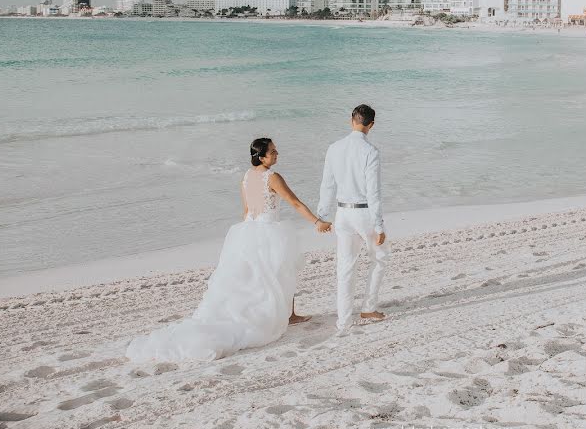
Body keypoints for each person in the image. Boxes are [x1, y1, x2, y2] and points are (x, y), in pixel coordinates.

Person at [126, 138, 331, 362]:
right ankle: (288, 315)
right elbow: (295, 202)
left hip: (248, 230)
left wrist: (247, 235)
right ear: (261, 157)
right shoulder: (272, 177)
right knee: (283, 269)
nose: (276, 154)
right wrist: (317, 222)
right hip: (269, 230)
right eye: (272, 152)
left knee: (259, 276)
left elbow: (246, 209)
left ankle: (290, 314)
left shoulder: (245, 177)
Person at [317, 104, 389, 334]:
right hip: (364, 213)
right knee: (379, 258)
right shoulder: (370, 151)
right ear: (372, 125)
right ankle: (368, 307)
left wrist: (322, 215)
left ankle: (343, 321)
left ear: (351, 120)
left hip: (342, 214)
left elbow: (327, 184)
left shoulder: (334, 148)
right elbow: (373, 191)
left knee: (345, 267)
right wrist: (379, 225)